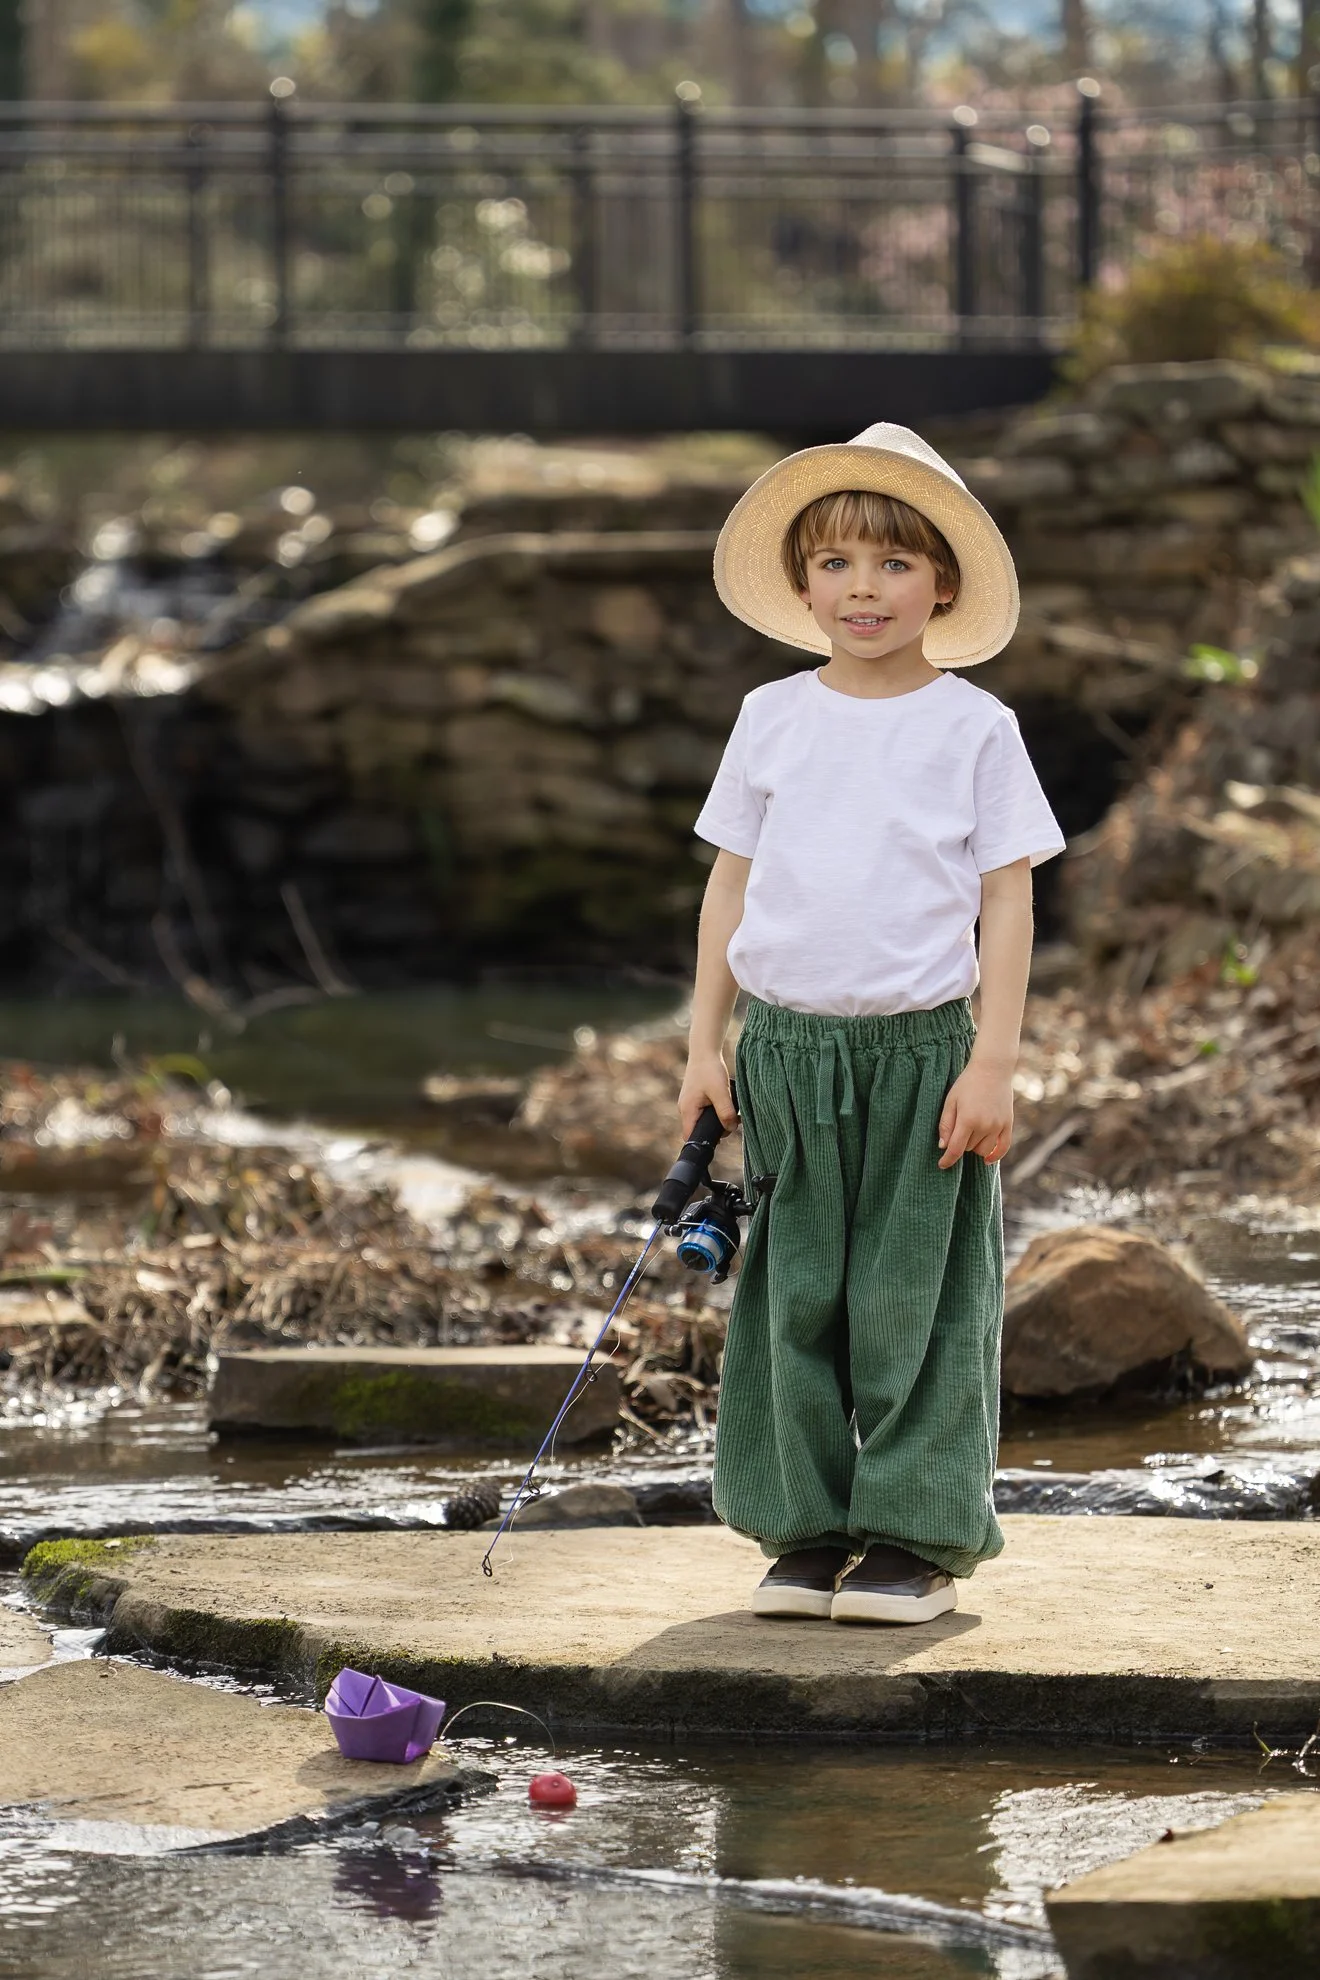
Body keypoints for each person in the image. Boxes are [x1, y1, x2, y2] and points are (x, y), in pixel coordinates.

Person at [680, 422, 1065, 1626]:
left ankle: (914, 1539)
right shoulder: (771, 716)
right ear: (803, 585)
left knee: (915, 1296)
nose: (865, 590)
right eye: (839, 564)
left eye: (895, 566)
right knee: (791, 1296)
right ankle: (803, 1529)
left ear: (942, 584)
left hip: (924, 1052)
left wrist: (994, 1057)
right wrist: (706, 1044)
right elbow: (729, 884)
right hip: (784, 1051)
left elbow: (1009, 894)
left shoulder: (974, 728)